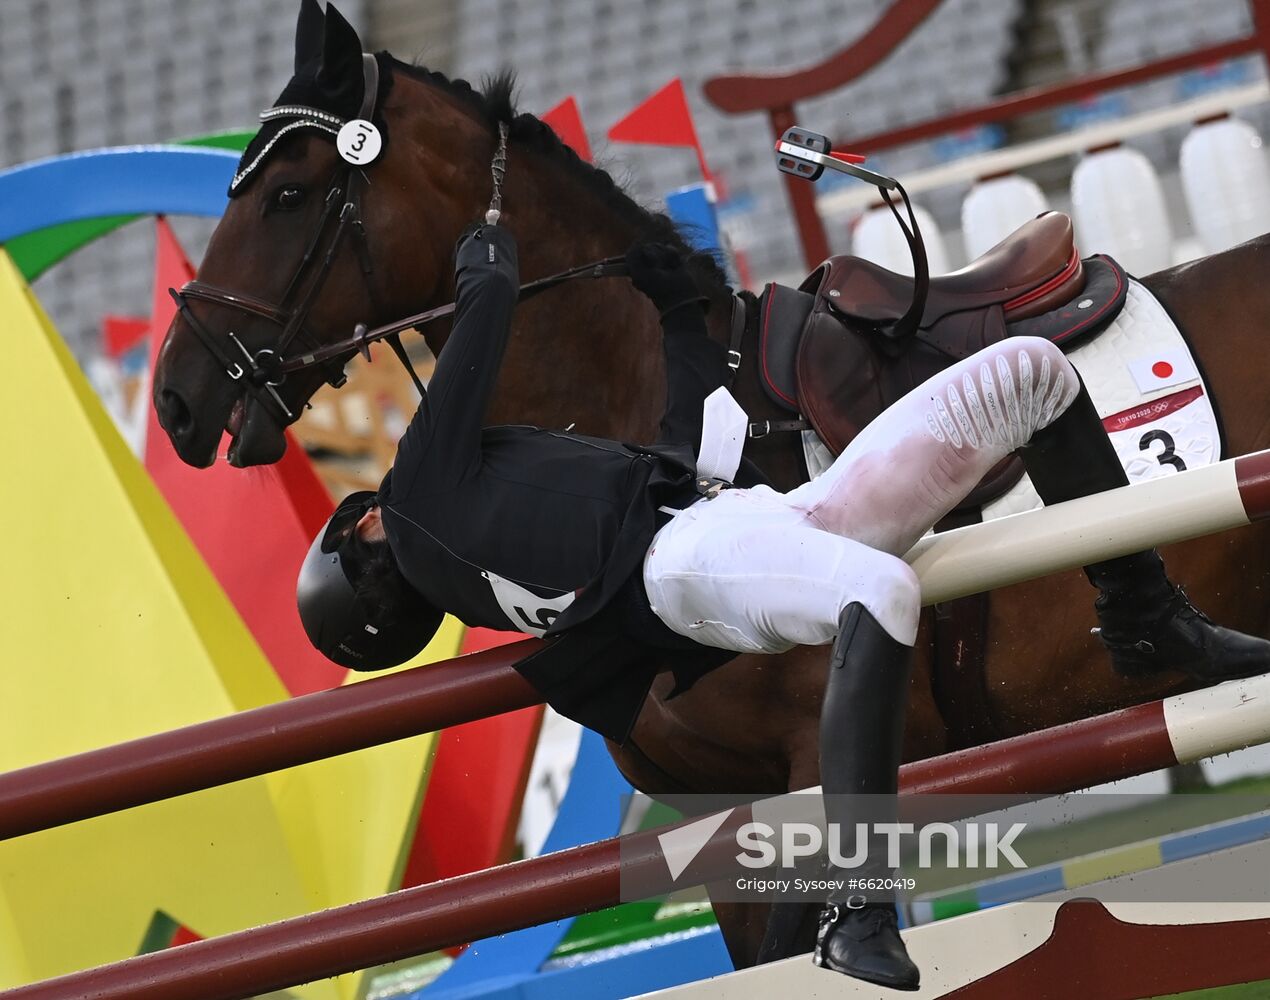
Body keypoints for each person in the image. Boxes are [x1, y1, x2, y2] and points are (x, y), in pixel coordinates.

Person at [297, 221, 1269, 991]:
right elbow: (487, 315)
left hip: (751, 521)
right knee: (877, 590)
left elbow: (686, 451)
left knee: (1034, 378)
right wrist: (485, 249)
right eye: (357, 516)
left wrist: (680, 312)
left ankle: (1143, 612)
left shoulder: (468, 528)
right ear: (364, 542)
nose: (368, 503)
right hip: (690, 566)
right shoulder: (423, 509)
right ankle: (858, 907)